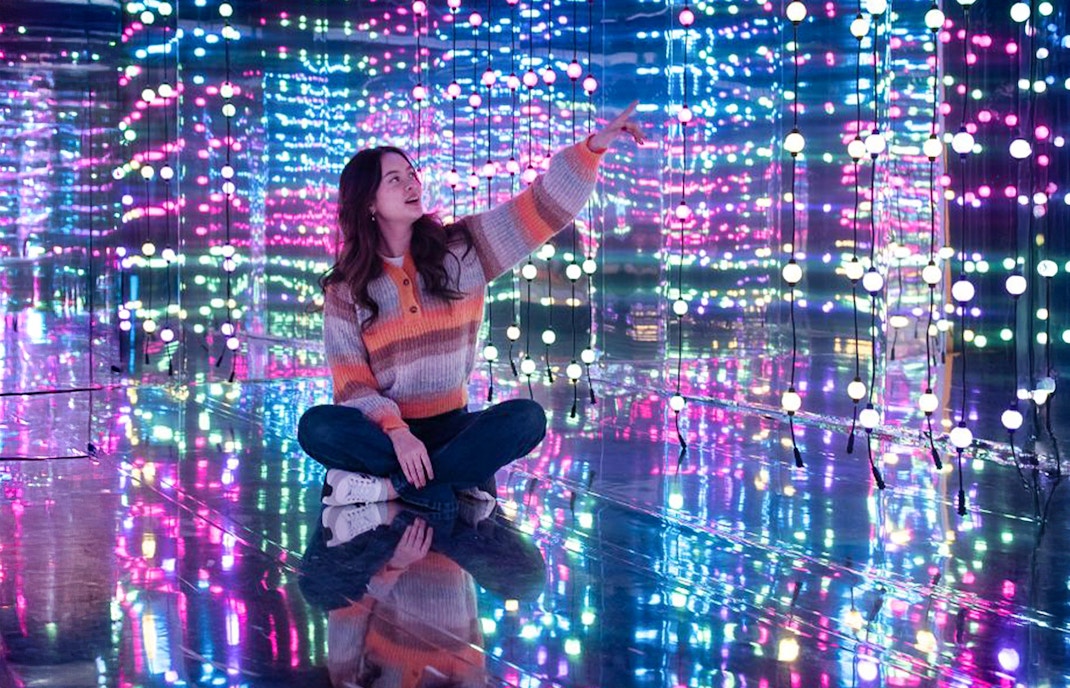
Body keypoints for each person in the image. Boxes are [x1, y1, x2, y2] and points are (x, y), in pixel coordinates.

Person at [297, 102, 644, 512]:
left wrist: (591, 150)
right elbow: (353, 385)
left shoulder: (461, 248)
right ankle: (451, 478)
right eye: (395, 180)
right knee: (317, 427)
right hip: (387, 434)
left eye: (412, 175)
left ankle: (390, 487)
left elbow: (540, 209)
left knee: (527, 419)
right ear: (368, 203)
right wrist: (398, 433)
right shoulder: (345, 288)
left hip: (454, 427)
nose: (412, 185)